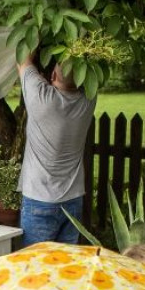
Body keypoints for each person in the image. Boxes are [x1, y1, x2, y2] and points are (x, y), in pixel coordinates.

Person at [17, 53, 96, 246]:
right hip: (73, 200)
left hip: (39, 200)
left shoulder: (41, 98)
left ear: (52, 76)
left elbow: (22, 59)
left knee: (35, 265)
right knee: (64, 265)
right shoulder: (88, 101)